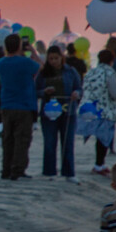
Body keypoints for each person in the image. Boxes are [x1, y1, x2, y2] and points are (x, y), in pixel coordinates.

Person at [0, 32, 41, 180]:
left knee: (8, 139)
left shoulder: (1, 63)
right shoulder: (25, 62)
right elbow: (41, 67)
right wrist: (33, 52)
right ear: (19, 46)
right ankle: (17, 169)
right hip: (24, 104)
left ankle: (6, 168)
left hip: (7, 104)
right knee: (22, 139)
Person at [35, 44, 82, 179]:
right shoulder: (43, 73)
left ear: (62, 57)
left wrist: (76, 93)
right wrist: (44, 92)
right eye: (51, 59)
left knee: (68, 143)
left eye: (56, 58)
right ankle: (49, 172)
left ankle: (68, 173)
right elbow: (35, 91)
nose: (54, 61)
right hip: (49, 112)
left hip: (68, 112)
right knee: (50, 143)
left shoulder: (71, 71)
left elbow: (79, 88)